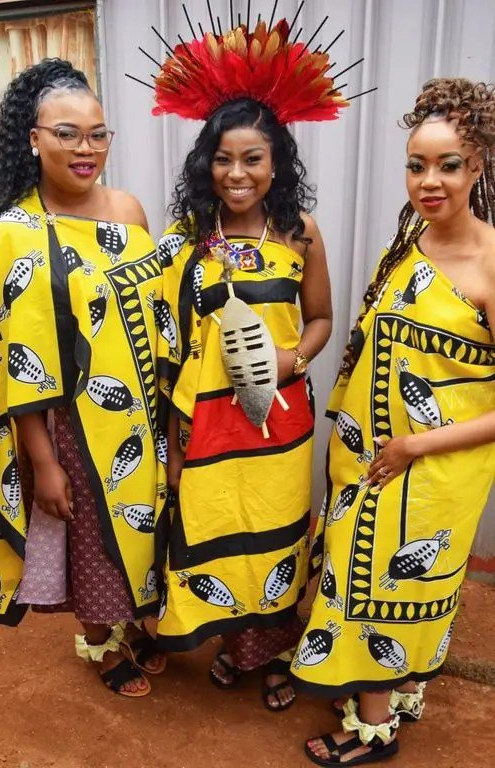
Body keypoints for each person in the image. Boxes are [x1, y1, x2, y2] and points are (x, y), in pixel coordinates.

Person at [144, 15, 353, 711]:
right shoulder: (186, 238)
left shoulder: (300, 233)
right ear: (207, 162)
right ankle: (231, 645)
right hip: (203, 421)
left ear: (278, 164)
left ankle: (270, 656)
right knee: (212, 527)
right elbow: (164, 338)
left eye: (254, 159)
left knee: (275, 531)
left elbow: (323, 317)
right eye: (224, 158)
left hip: (279, 419)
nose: (237, 173)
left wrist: (294, 359)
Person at [295, 78, 495, 765]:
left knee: (391, 579)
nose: (429, 180)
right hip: (377, 455)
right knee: (365, 565)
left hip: (436, 465)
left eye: (448, 165)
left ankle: (370, 730)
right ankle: (396, 684)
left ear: (478, 167)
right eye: (416, 164)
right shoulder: (411, 242)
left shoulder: (491, 261)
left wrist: (415, 444)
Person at [0, 58, 166, 698]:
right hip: (69, 421)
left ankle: (138, 622)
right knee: (95, 535)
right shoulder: (15, 233)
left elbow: (154, 316)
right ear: (34, 138)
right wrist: (41, 461)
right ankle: (102, 642)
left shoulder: (128, 211)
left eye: (98, 133)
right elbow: (15, 361)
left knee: (145, 524)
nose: (85, 148)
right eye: (67, 133)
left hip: (142, 412)